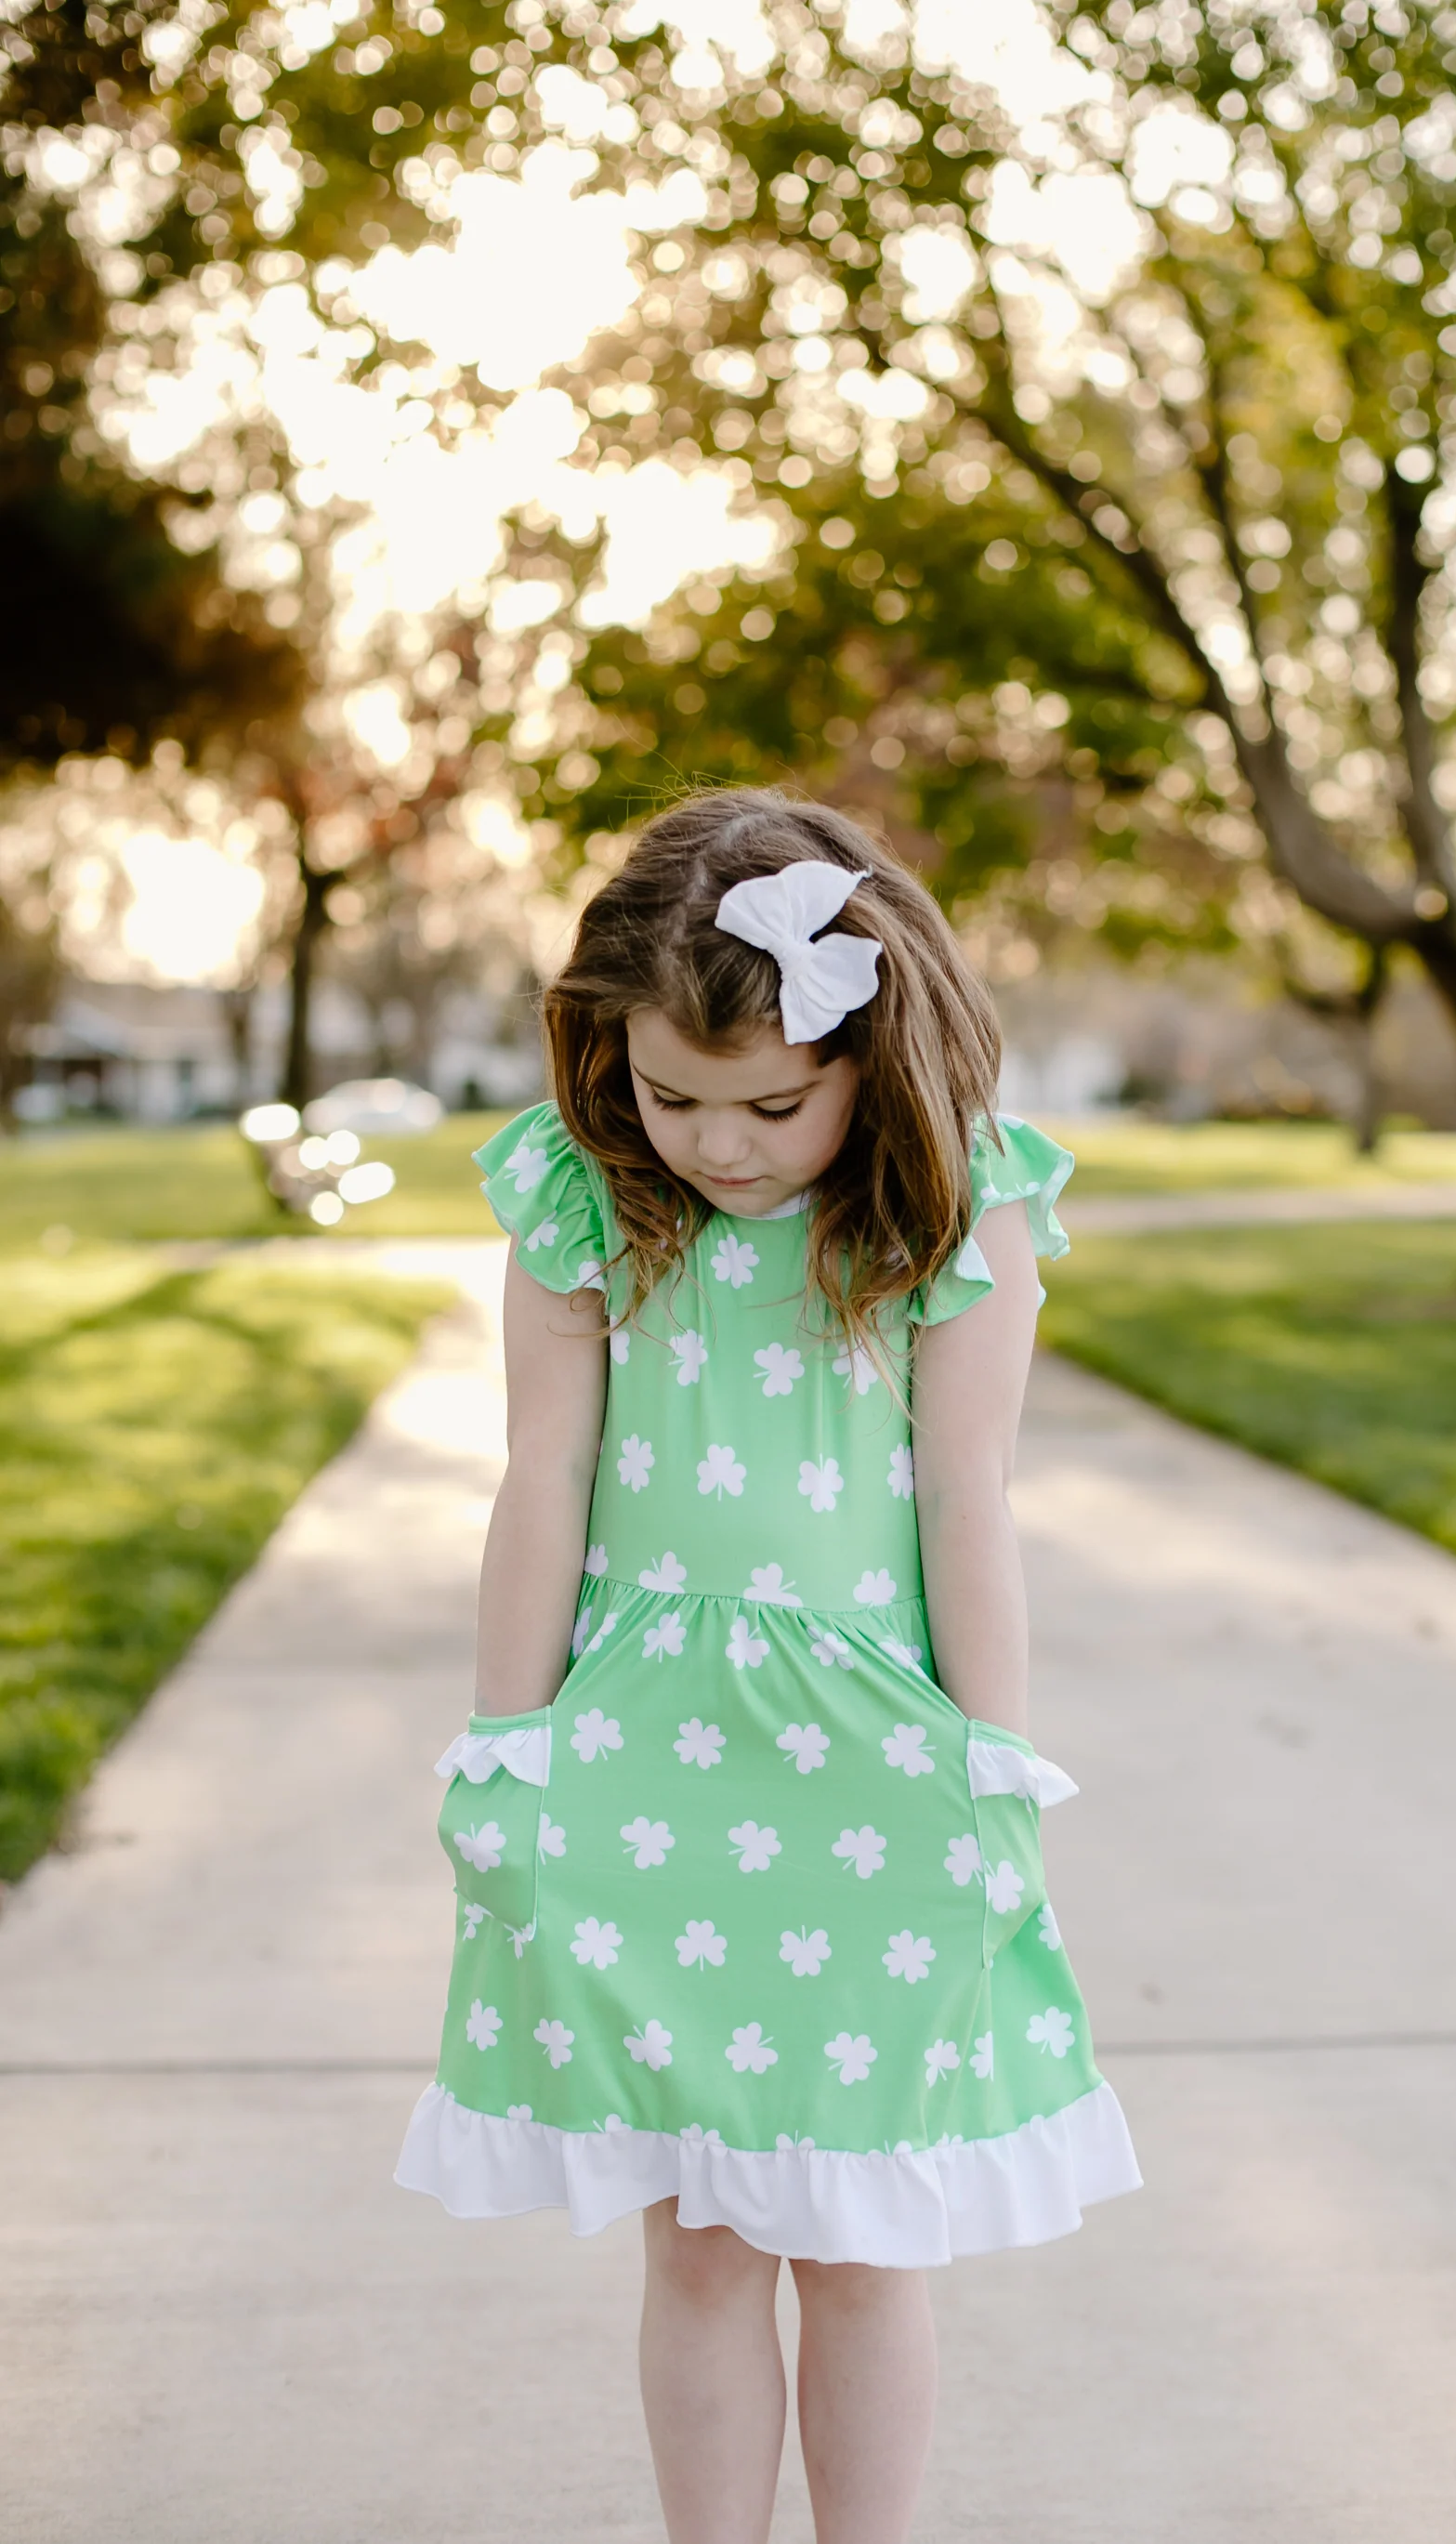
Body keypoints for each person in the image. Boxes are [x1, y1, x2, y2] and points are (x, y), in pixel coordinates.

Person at [397, 788, 1138, 2543]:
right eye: (674, 1097)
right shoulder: (585, 1199)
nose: (719, 1146)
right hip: (645, 1761)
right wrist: (506, 1739)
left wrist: (996, 1761)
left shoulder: (953, 1215)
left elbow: (966, 1497)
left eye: (773, 1104)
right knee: (706, 2239)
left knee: (868, 2242)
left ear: (874, 1057)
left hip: (869, 1769)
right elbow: (545, 1475)